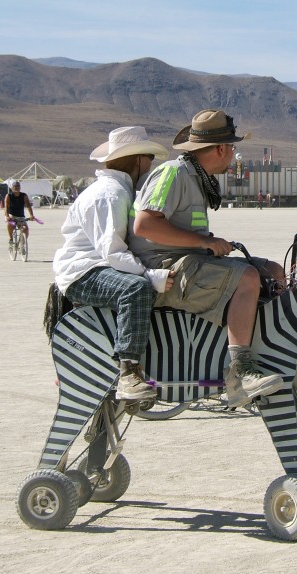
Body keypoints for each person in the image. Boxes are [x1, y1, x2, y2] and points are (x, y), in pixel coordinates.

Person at [129, 109, 285, 409]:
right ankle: (241, 373)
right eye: (233, 147)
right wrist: (205, 242)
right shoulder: (172, 174)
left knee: (272, 271)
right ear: (222, 148)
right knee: (248, 278)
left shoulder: (196, 178)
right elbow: (145, 225)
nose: (233, 153)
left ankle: (279, 355)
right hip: (163, 270)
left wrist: (207, 245)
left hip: (188, 261)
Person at [52, 126, 174, 403]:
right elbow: (113, 252)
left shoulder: (121, 190)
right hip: (84, 272)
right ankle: (128, 372)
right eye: (149, 159)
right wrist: (150, 275)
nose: (151, 165)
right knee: (135, 290)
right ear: (138, 160)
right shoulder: (109, 194)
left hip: (99, 266)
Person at [4, 181, 35, 245]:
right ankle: (11, 238)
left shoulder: (24, 195)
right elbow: (6, 207)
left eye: (18, 187)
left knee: (25, 229)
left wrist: (31, 215)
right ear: (12, 188)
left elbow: (28, 206)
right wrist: (7, 216)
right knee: (10, 225)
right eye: (15, 187)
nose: (16, 188)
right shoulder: (9, 196)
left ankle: (23, 244)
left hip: (21, 216)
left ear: (20, 188)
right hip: (12, 215)